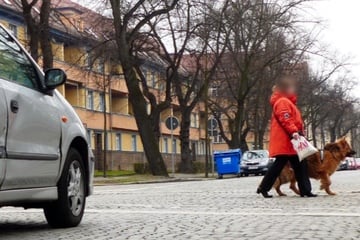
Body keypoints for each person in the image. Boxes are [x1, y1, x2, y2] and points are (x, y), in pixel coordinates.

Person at [257, 75, 316, 198]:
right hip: (287, 140)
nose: (293, 89)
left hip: (289, 142)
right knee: (282, 166)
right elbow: (286, 118)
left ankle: (305, 190)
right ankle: (264, 188)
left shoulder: (286, 102)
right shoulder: (283, 102)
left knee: (298, 165)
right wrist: (294, 132)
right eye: (290, 87)